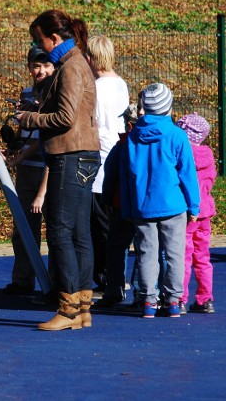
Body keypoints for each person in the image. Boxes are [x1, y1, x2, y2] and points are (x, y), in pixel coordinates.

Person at [15, 9, 100, 331]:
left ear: (53, 38)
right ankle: (81, 308)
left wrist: (29, 119)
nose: (40, 47)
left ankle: (68, 309)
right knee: (79, 233)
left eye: (40, 40)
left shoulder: (70, 67)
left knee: (61, 232)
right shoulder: (78, 64)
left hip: (70, 154)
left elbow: (64, 118)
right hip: (83, 153)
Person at [120, 82, 200, 318]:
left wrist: (127, 207)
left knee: (146, 253)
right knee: (175, 253)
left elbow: (126, 177)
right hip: (173, 205)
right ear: (168, 107)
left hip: (142, 207)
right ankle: (174, 301)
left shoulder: (133, 137)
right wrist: (193, 205)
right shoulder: (177, 135)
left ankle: (148, 301)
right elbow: (187, 174)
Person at [3, 46, 54, 296]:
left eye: (46, 65)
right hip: (26, 169)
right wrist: (14, 150)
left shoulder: (57, 95)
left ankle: (57, 283)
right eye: (36, 65)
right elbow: (27, 136)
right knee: (23, 228)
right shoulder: (26, 94)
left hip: (50, 170)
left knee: (56, 230)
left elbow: (45, 139)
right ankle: (23, 279)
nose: (41, 70)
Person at [85, 35, 130, 296]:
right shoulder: (120, 84)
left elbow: (96, 126)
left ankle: (107, 277)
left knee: (100, 226)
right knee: (113, 224)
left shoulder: (97, 87)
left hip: (100, 161)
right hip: (118, 156)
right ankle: (114, 274)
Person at [95, 104, 137, 307]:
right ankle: (145, 292)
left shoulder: (122, 146)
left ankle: (114, 289)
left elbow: (110, 175)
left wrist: (106, 201)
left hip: (122, 205)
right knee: (147, 249)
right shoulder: (159, 142)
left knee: (116, 247)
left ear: (129, 124)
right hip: (147, 206)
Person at [175, 113, 217, 314]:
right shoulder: (207, 155)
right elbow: (210, 181)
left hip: (186, 211)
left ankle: (180, 298)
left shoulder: (181, 155)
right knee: (203, 256)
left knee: (183, 256)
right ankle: (205, 298)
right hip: (205, 211)